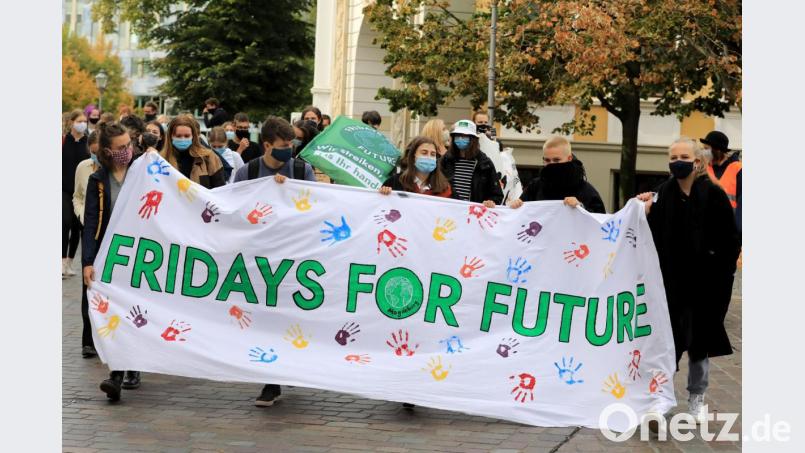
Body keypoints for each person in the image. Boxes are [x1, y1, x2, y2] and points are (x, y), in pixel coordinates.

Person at [636, 138, 740, 423]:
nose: (677, 160)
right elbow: (646, 229)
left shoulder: (713, 195)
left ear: (697, 161)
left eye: (683, 155)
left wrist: (719, 270)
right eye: (672, 156)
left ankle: (697, 397)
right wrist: (642, 208)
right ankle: (661, 397)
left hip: (706, 285)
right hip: (671, 284)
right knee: (667, 343)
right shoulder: (663, 194)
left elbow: (730, 240)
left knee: (699, 345)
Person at [232, 116, 316, 407]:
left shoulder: (303, 171)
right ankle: (272, 380)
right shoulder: (248, 172)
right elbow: (234, 210)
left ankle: (285, 367)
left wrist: (290, 193)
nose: (289, 149)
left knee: (289, 317)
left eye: (292, 143)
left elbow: (316, 210)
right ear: (267, 145)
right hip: (260, 259)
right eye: (283, 145)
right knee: (266, 318)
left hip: (295, 258)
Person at [82, 121, 145, 399]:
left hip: (142, 254)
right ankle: (117, 373)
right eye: (120, 148)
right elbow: (92, 221)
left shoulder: (143, 170)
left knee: (136, 309)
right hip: (112, 255)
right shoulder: (98, 180)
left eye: (129, 145)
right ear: (107, 151)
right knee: (114, 312)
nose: (126, 151)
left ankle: (134, 366)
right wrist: (87, 260)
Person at [509, 136, 606, 213]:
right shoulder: (536, 186)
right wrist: (516, 205)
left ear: (569, 158)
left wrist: (581, 207)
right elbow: (521, 214)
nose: (551, 164)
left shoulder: (583, 188)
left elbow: (599, 219)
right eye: (547, 160)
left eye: (556, 160)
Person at [73, 131, 101, 358]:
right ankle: (87, 340)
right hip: (88, 228)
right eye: (93, 152)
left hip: (109, 233)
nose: (96, 156)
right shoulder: (83, 167)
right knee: (88, 283)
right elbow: (78, 195)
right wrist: (81, 214)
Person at [439, 119, 502, 207]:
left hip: (473, 216)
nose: (460, 139)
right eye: (457, 136)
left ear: (473, 139)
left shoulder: (485, 164)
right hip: (448, 213)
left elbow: (496, 195)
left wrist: (490, 202)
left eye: (464, 136)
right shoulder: (445, 160)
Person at [162, 114, 227, 189]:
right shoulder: (162, 159)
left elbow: (220, 188)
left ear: (193, 136)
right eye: (178, 136)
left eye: (187, 136)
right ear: (170, 136)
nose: (183, 139)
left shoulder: (208, 157)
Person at [63, 109, 90, 278]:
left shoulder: (88, 142)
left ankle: (70, 262)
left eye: (85, 121)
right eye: (79, 121)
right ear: (71, 122)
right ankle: (61, 260)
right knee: (64, 222)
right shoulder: (64, 140)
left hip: (81, 191)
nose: (83, 124)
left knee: (77, 225)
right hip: (64, 188)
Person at [380, 136, 452, 197]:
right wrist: (383, 194)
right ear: (413, 157)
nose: (429, 157)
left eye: (433, 154)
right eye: (424, 153)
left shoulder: (445, 188)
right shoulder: (394, 182)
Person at [700, 130, 741, 214]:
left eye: (706, 149)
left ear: (718, 150)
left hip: (729, 223)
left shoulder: (738, 169)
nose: (704, 152)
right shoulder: (704, 167)